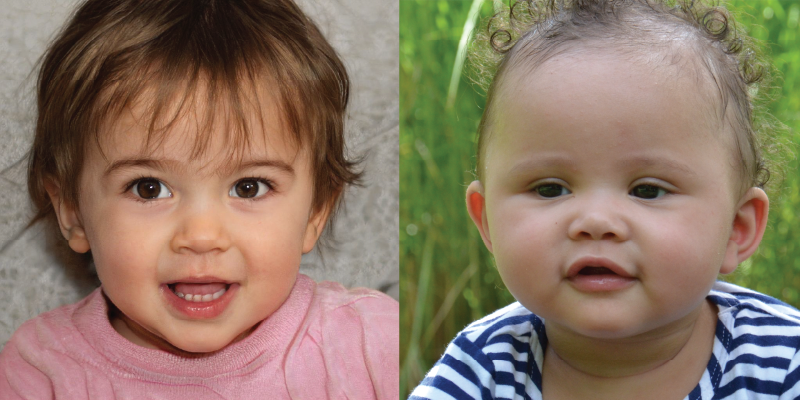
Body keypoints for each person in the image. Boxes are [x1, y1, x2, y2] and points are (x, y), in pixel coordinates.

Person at [0, 0, 398, 398]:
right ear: (72, 210)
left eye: (249, 187)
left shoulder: (373, 345)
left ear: (316, 211)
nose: (202, 236)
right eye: (148, 188)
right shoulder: (41, 373)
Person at [409, 0, 800, 399]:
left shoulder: (784, 362)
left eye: (647, 190)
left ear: (737, 228)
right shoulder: (480, 369)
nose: (595, 220)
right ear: (487, 221)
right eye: (550, 189)